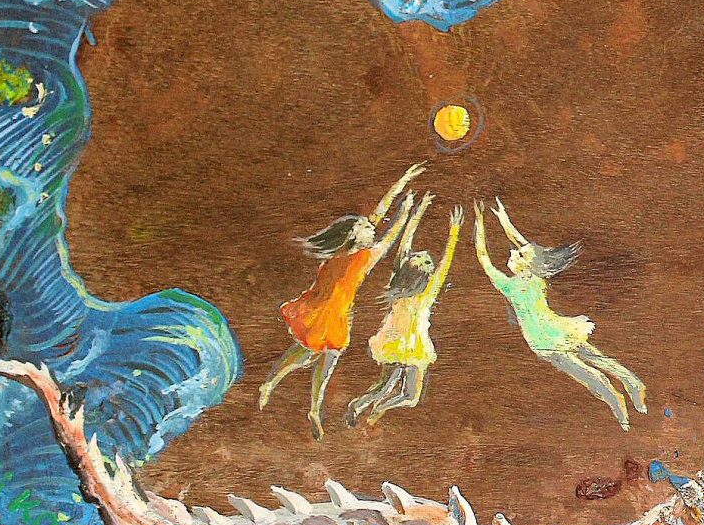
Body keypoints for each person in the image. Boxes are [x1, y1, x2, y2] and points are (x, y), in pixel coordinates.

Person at [259, 162, 424, 438]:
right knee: (305, 356)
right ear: (353, 238)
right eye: (364, 227)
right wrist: (404, 213)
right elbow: (390, 236)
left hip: (335, 316)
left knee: (321, 363)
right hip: (322, 312)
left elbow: (381, 212)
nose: (370, 227)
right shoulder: (359, 258)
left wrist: (402, 183)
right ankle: (272, 384)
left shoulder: (353, 252)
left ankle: (313, 408)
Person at [473, 197, 647, 429]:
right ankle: (624, 399)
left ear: (527, 265)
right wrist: (498, 220)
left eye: (520, 255)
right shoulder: (519, 282)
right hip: (549, 336)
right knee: (593, 369)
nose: (513, 253)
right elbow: (504, 251)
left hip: (550, 335)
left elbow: (486, 256)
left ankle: (626, 400)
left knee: (593, 368)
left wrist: (482, 223)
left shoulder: (521, 281)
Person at [348, 198, 464, 427]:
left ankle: (372, 406)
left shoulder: (411, 286)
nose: (426, 259)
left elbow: (415, 248)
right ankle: (363, 406)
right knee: (393, 391)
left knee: (402, 393)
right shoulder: (416, 288)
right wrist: (452, 232)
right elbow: (437, 260)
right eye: (423, 259)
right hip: (402, 343)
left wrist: (420, 213)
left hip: (406, 344)